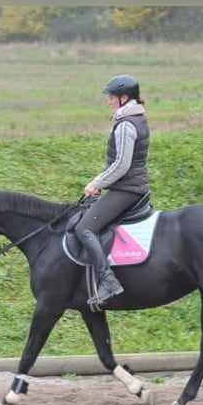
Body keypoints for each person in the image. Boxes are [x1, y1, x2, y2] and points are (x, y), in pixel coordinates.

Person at [75, 74, 151, 306]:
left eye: (111, 97)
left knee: (85, 227)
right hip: (130, 186)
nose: (109, 101)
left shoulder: (126, 124)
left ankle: (108, 280)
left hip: (127, 189)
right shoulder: (135, 118)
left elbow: (121, 164)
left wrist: (97, 183)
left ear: (124, 97)